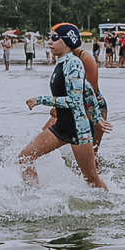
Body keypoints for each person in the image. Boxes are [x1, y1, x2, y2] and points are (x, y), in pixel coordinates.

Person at [19, 24, 107, 189]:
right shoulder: (63, 62)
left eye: (54, 38)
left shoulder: (74, 64)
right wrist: (97, 117)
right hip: (62, 125)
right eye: (49, 37)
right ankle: (34, 198)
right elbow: (87, 88)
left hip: (78, 128)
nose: (49, 42)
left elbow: (76, 101)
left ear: (66, 41)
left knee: (91, 179)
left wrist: (41, 100)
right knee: (25, 157)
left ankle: (112, 205)